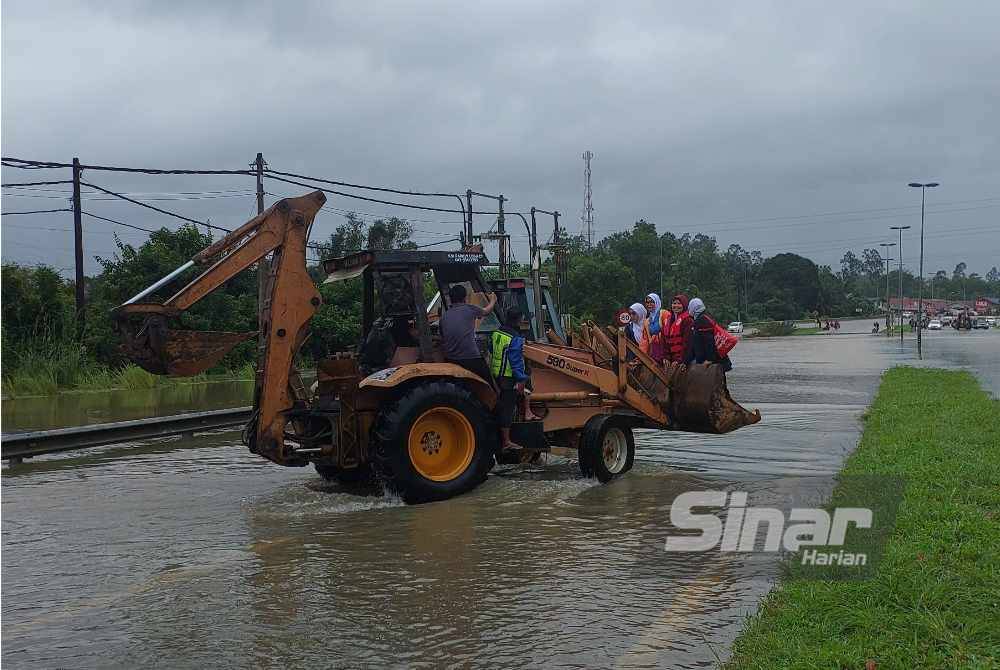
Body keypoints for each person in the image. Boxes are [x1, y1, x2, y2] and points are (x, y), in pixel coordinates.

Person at [490, 308, 539, 452]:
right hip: (508, 377)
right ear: (518, 320)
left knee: (501, 406)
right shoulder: (515, 338)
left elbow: (491, 350)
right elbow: (516, 361)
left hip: (496, 374)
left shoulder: (496, 333)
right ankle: (506, 442)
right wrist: (521, 380)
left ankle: (526, 413)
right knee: (508, 408)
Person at [439, 284, 497, 382]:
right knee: (489, 381)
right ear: (464, 298)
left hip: (450, 359)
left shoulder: (444, 317)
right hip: (470, 358)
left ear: (451, 299)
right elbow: (487, 311)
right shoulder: (470, 309)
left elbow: (442, 336)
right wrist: (493, 300)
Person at [683, 297, 732, 372]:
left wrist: (709, 360)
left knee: (714, 378)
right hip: (715, 360)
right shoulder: (705, 317)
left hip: (712, 363)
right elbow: (694, 345)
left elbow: (709, 341)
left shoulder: (702, 320)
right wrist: (685, 362)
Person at [659, 294, 692, 365]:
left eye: (679, 303)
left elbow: (687, 342)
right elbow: (663, 341)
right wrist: (665, 358)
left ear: (684, 305)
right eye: (674, 303)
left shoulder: (688, 320)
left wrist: (680, 360)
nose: (676, 306)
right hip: (670, 360)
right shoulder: (667, 320)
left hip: (683, 359)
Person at [644, 293, 665, 363]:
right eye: (647, 302)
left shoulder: (664, 314)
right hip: (654, 352)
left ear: (657, 302)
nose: (649, 304)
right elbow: (645, 340)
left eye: (652, 302)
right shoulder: (647, 321)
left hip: (665, 349)